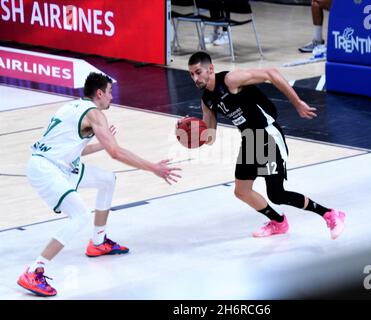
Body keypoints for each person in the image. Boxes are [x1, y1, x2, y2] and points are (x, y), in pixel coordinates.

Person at [17, 72, 181, 297]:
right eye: (110, 92)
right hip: (47, 169)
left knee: (107, 179)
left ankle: (98, 241)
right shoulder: (95, 115)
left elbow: (76, 148)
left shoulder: (71, 107)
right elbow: (116, 153)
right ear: (100, 93)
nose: (112, 97)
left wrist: (102, 145)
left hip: (62, 164)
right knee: (80, 216)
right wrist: (153, 168)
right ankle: (34, 270)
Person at [186, 51, 345, 239]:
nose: (195, 78)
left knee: (277, 194)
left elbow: (272, 73)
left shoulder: (231, 80)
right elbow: (210, 136)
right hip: (250, 140)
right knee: (242, 191)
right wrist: (194, 136)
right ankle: (278, 222)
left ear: (210, 69)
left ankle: (330, 214)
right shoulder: (207, 100)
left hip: (267, 135)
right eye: (191, 74)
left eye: (198, 72)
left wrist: (297, 103)